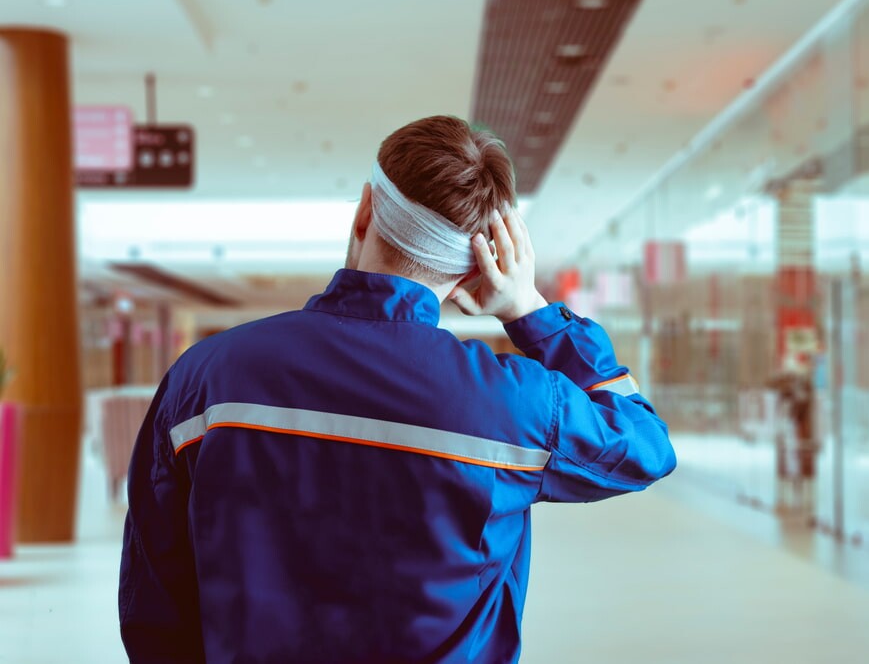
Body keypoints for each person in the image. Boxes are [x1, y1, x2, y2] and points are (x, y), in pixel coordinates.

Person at [119, 115, 677, 663]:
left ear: (365, 211)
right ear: (473, 270)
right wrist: (530, 311)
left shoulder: (208, 377)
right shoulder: (512, 404)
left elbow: (155, 593)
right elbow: (646, 445)